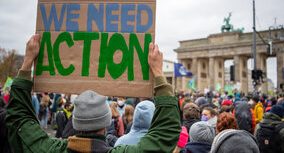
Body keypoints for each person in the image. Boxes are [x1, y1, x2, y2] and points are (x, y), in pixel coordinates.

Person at [6, 35, 181, 152]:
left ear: (75, 122)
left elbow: (19, 120)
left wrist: (28, 62)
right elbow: (166, 134)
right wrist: (158, 73)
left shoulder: (49, 149)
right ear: (106, 124)